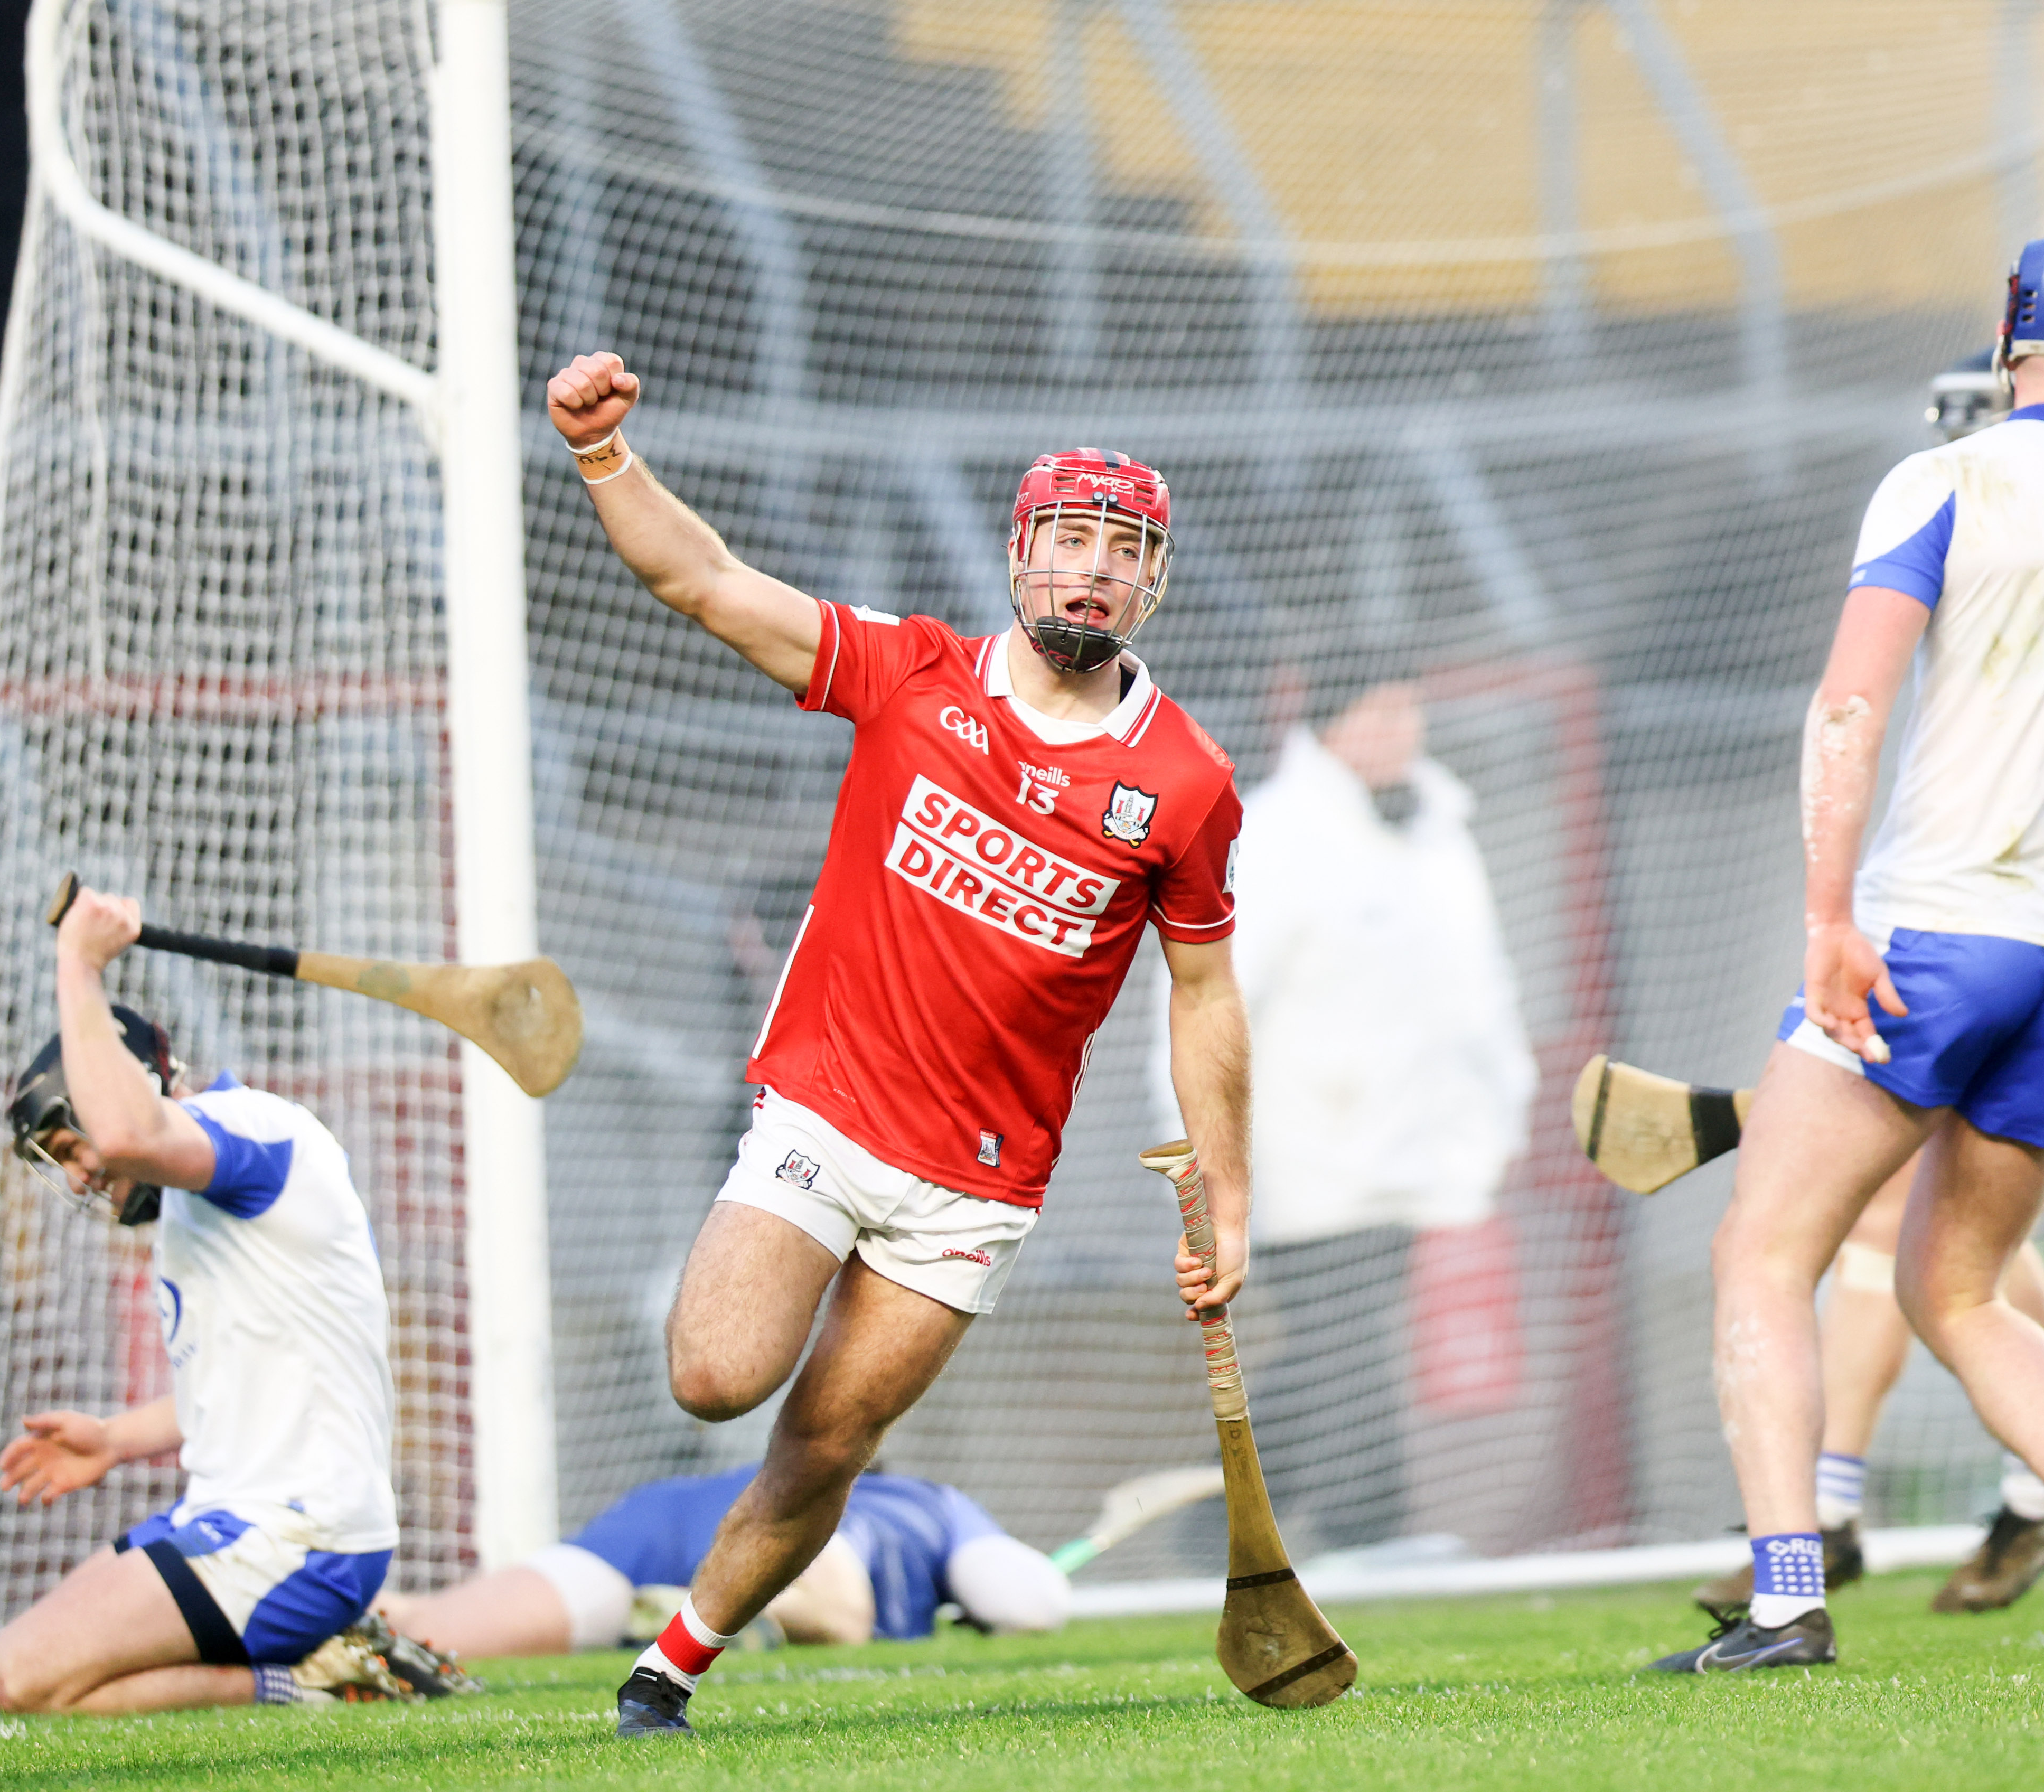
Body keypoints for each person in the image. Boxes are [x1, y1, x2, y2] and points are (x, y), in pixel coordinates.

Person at [542, 351, 1250, 1738]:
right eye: (1071, 541)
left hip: (979, 1181)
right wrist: (602, 454)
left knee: (830, 1439)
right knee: (715, 1375)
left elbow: (1206, 995)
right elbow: (704, 582)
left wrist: (1227, 1193)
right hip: (826, 1109)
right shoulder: (911, 671)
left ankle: (669, 1667)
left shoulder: (1185, 781)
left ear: (1153, 583)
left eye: (1123, 551)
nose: (1093, 573)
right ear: (1021, 554)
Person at [1656, 232, 2044, 1672]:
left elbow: (1848, 709)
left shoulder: (1943, 481)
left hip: (1936, 934)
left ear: (2012, 342)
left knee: (1762, 1251)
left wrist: (1825, 920)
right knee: (1961, 1287)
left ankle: (1787, 1595)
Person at [0, 886, 470, 1711]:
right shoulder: (193, 1205)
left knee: (22, 1678)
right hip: (235, 1520)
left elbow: (129, 1132)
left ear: (132, 1083)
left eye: (72, 1144)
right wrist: (112, 1438)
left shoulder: (254, 1130)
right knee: (36, 1666)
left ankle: (314, 1679)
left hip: (298, 1536)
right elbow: (235, 1387)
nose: (81, 1176)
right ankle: (324, 1660)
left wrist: (79, 963)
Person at [1145, 672, 1532, 1555]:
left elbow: (1480, 989)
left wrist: (1499, 1113)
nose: (1402, 729)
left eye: (1409, 708)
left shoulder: (1438, 830)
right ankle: (1369, 1535)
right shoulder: (1272, 834)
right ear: (1330, 724)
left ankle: (1211, 1524)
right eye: (1379, 712)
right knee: (1344, 1341)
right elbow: (1206, 996)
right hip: (1296, 1156)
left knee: (1334, 1349)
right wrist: (1201, 1145)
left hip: (1408, 1152)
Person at [376, 1465, 1069, 1657]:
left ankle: (317, 1601)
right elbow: (1029, 1603)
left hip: (660, 1524)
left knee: (426, 1631)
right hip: (777, 1535)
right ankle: (719, 1612)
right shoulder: (933, 1505)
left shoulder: (910, 1500)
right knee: (842, 1615)